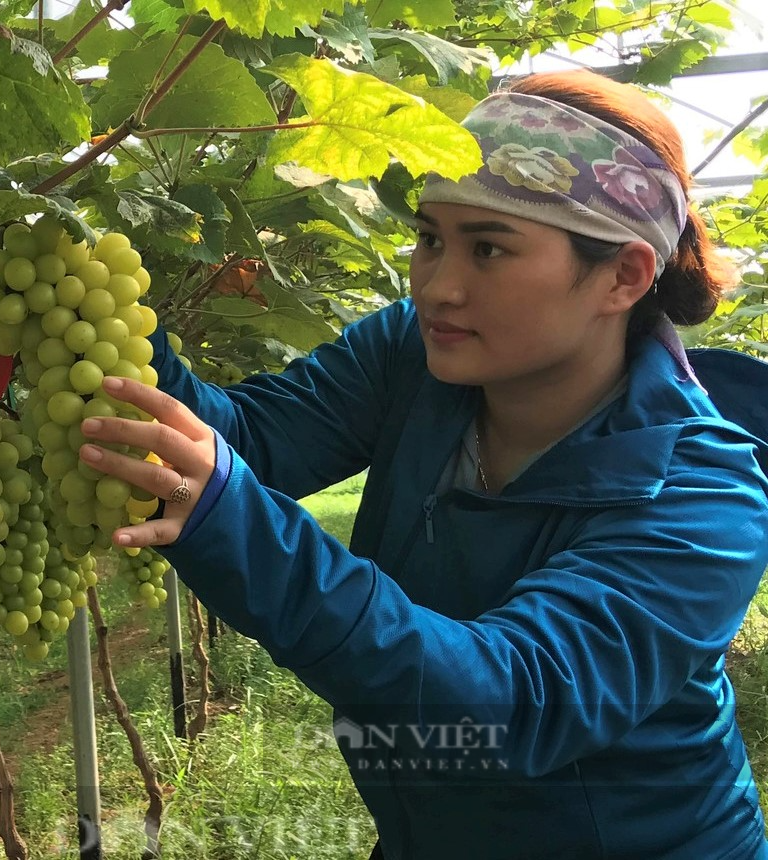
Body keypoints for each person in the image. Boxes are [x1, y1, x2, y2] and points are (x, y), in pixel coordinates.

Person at [73, 70, 768, 858]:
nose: (438, 286)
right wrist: (112, 335)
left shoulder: (704, 497)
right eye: (431, 238)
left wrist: (234, 517)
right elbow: (251, 441)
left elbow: (510, 704)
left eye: (489, 248)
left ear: (624, 275)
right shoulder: (413, 353)